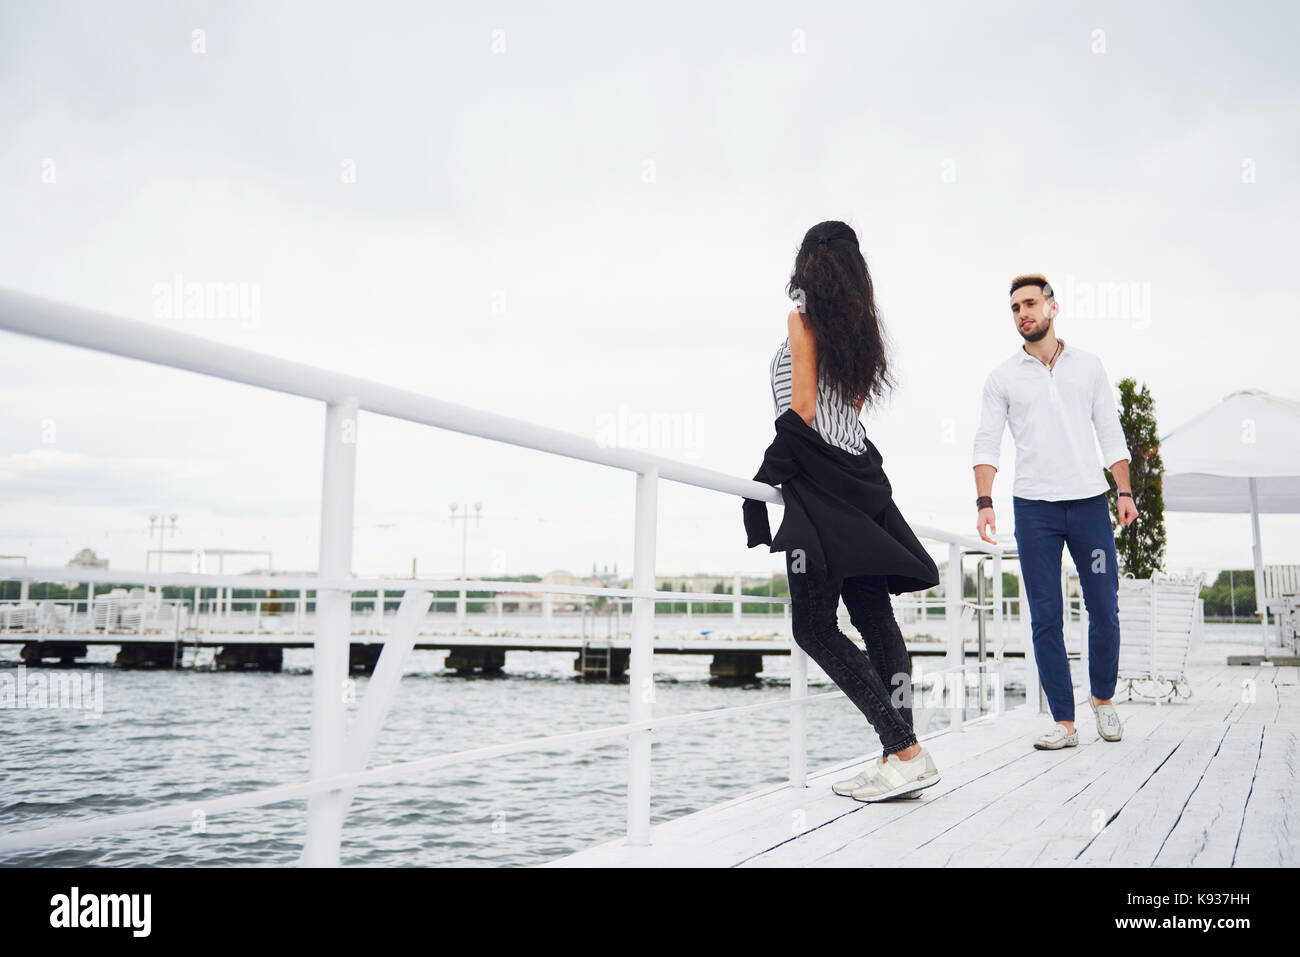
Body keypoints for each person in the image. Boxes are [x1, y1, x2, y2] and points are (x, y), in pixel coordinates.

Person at [743, 220, 942, 802]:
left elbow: (802, 408)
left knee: (814, 626)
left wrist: (764, 474)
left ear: (808, 262)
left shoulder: (801, 317)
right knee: (875, 619)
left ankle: (904, 749)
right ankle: (901, 756)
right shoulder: (861, 330)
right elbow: (849, 410)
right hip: (860, 478)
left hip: (818, 485)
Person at [971, 274, 1139, 750]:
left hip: (1089, 502)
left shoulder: (1088, 366)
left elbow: (1110, 431)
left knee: (1104, 607)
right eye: (1015, 308)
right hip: (1033, 509)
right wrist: (985, 501)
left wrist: (1123, 492)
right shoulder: (1001, 377)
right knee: (1046, 616)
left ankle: (1102, 701)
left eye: (1030, 304)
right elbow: (986, 440)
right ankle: (1064, 722)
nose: (1022, 313)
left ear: (1052, 307)